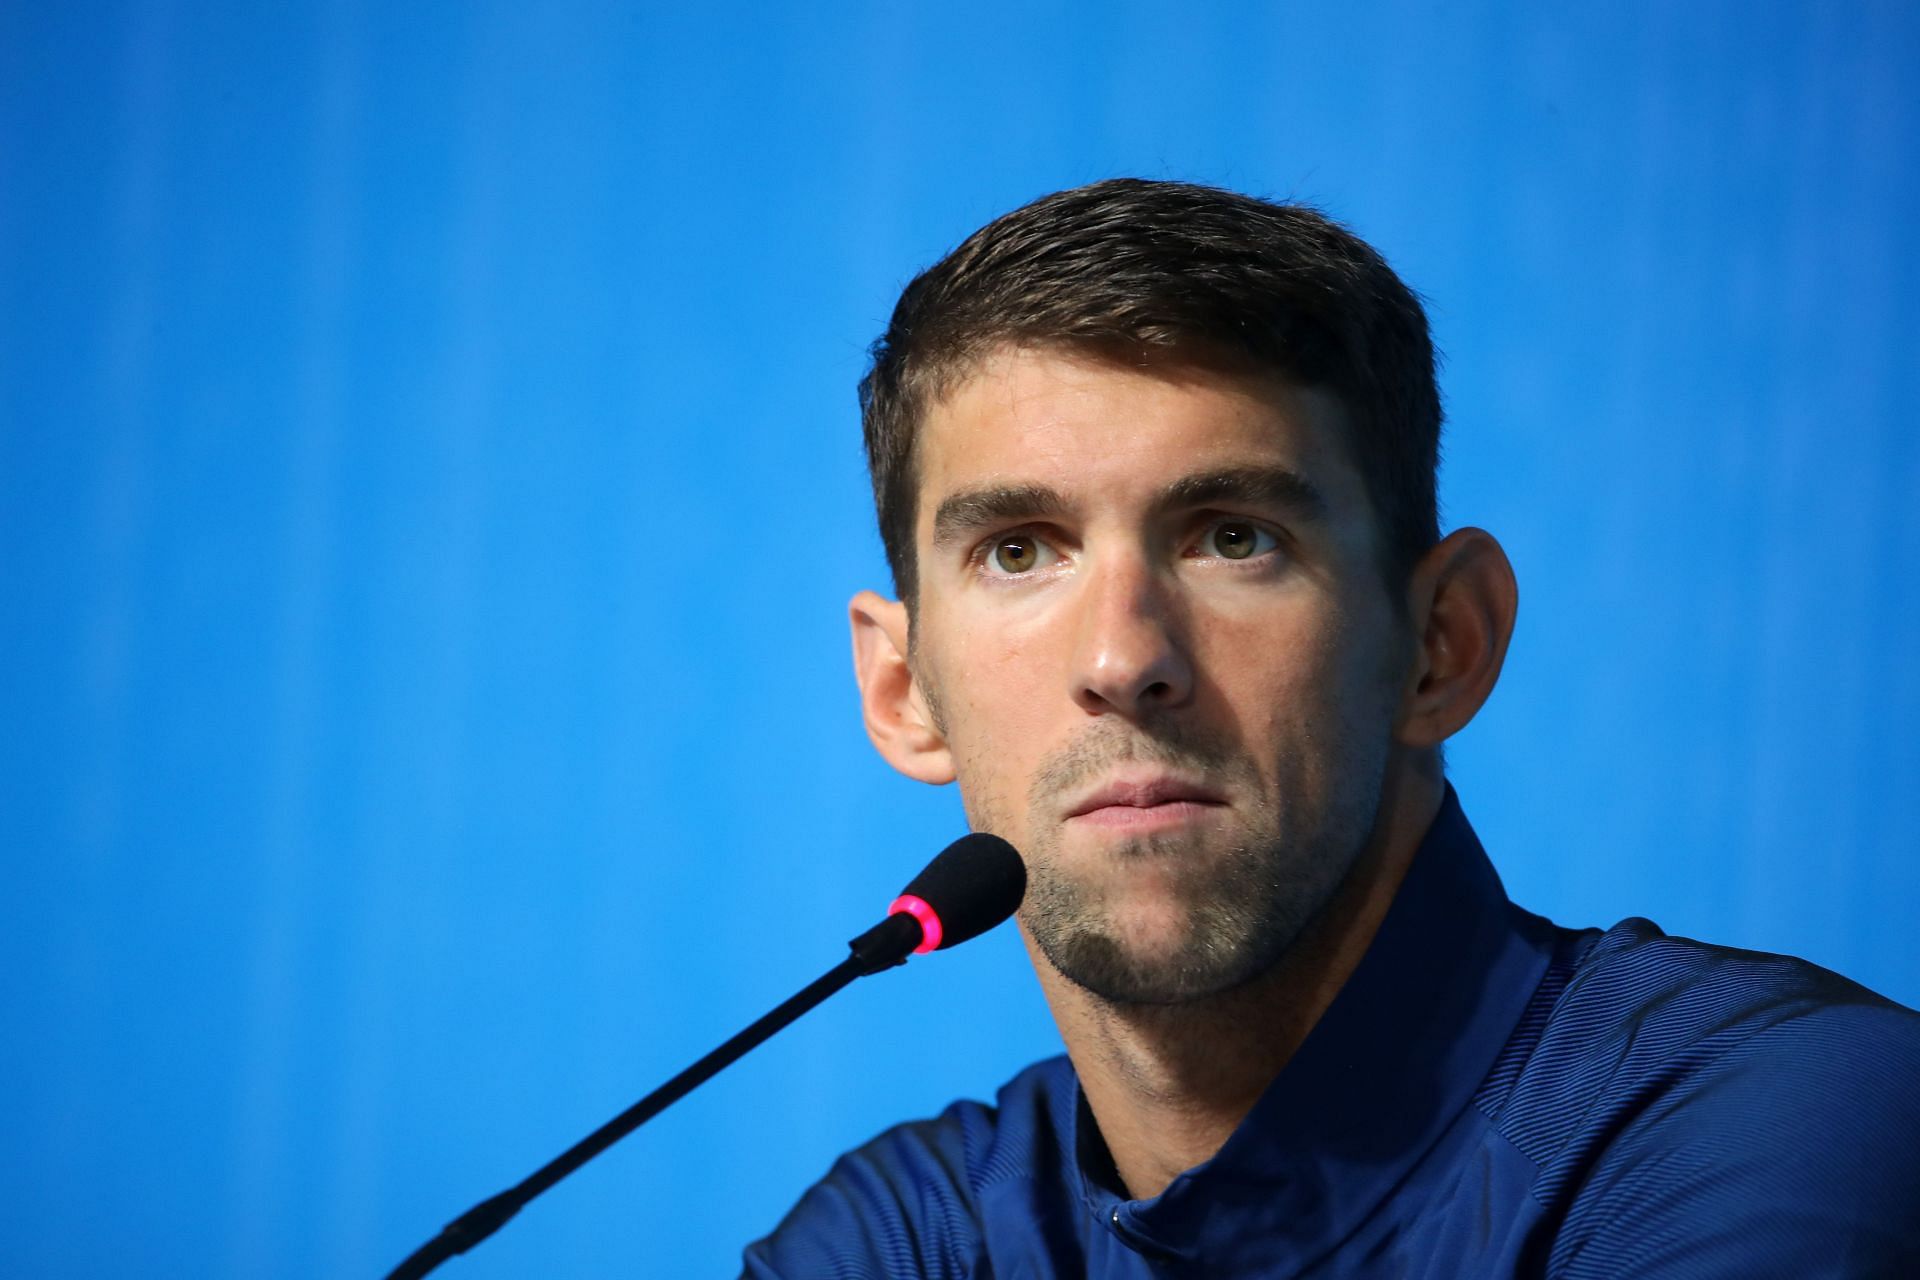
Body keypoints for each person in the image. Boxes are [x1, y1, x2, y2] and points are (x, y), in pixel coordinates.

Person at [741, 180, 1920, 1278]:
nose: (1121, 659)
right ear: (903, 690)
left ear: (1440, 642)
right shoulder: (910, 1238)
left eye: (1232, 536)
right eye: (1018, 551)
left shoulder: (1779, 1118)